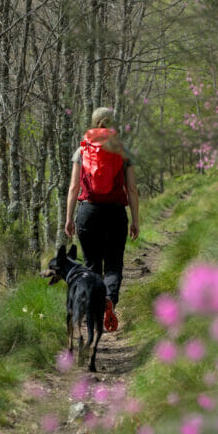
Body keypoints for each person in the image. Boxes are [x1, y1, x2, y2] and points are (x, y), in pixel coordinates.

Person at [64, 107, 139, 332]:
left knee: (92, 264)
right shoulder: (124, 151)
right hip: (115, 213)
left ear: (94, 123)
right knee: (114, 263)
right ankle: (110, 300)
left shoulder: (82, 150)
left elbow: (73, 187)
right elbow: (132, 189)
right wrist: (135, 220)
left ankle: (93, 308)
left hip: (88, 212)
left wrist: (69, 218)